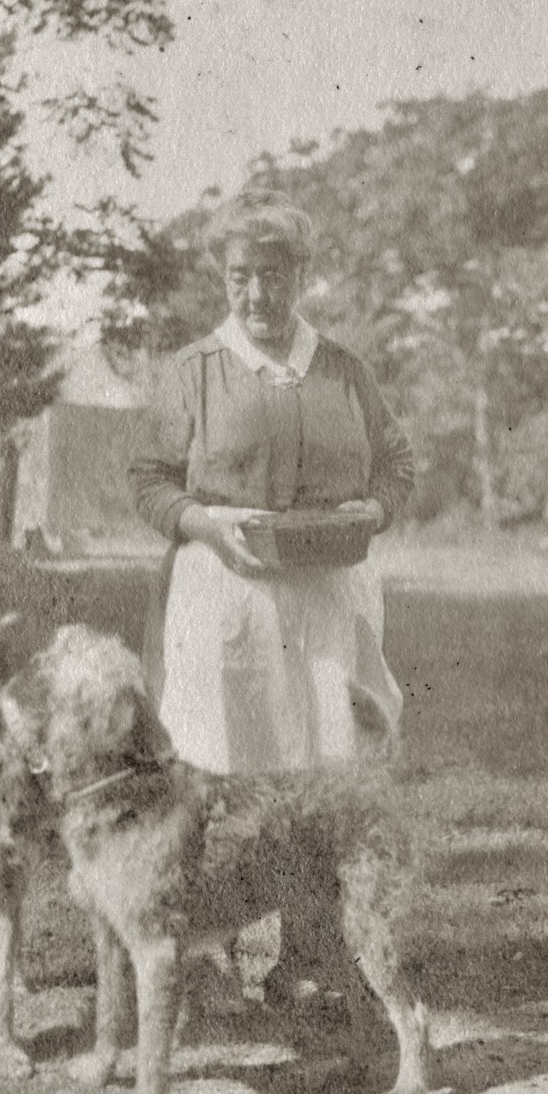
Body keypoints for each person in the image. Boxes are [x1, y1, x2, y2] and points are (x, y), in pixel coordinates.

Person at [128, 196, 414, 778]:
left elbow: (396, 461)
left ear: (303, 278)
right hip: (229, 589)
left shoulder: (344, 371)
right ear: (224, 279)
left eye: (273, 275)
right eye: (240, 276)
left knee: (337, 753)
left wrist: (377, 508)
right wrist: (202, 524)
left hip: (332, 593)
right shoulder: (193, 372)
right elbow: (149, 477)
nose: (256, 293)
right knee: (223, 759)